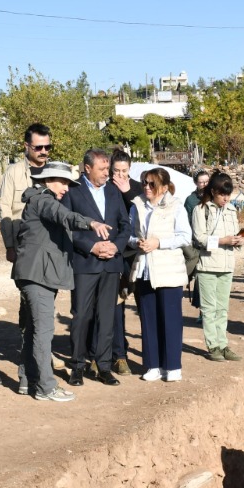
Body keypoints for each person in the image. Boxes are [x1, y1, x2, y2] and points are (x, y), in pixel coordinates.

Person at [15, 162, 112, 402]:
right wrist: (91, 223)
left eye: (69, 183)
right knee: (44, 331)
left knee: (33, 331)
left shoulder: (41, 199)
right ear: (48, 180)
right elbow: (63, 216)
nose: (67, 188)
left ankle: (28, 380)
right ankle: (46, 386)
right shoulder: (43, 200)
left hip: (38, 274)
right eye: (63, 182)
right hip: (38, 276)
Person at [65, 150, 133, 387]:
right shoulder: (73, 192)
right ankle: (77, 366)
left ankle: (104, 366)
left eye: (108, 169)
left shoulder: (113, 191)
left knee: (107, 316)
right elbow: (68, 228)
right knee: (82, 316)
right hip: (85, 263)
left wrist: (116, 246)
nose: (108, 173)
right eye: (103, 169)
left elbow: (125, 225)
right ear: (87, 168)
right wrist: (92, 246)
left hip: (111, 263)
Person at [130, 168, 192, 381]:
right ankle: (152, 365)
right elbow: (129, 234)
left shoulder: (176, 206)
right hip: (145, 269)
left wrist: (159, 243)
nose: (147, 187)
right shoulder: (137, 205)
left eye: (151, 184)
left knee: (171, 319)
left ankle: (172, 365)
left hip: (169, 269)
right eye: (144, 183)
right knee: (148, 319)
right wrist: (136, 242)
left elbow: (185, 237)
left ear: (164, 187)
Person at [190, 171, 244, 361]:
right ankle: (213, 346)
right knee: (209, 308)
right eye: (222, 194)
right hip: (207, 265)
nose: (226, 198)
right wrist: (223, 240)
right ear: (213, 191)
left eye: (228, 194)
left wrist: (238, 241)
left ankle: (223, 344)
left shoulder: (231, 209)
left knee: (223, 308)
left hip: (227, 264)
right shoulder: (201, 209)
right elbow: (199, 238)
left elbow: (234, 236)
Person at [0, 124, 53, 263]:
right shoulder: (13, 172)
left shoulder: (56, 173)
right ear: (26, 145)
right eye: (38, 147)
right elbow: (5, 209)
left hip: (52, 242)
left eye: (47, 147)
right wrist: (9, 246)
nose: (43, 151)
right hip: (23, 243)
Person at [107, 150, 137, 374]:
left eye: (124, 171)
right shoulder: (103, 187)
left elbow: (141, 214)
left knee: (128, 302)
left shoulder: (137, 188)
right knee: (111, 304)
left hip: (132, 254)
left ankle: (122, 351)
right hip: (110, 251)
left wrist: (127, 193)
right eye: (116, 170)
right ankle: (114, 352)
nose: (120, 175)